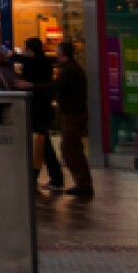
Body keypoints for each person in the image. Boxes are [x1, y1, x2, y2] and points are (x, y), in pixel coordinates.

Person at [19, 38, 64, 189]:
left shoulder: (31, 64)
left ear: (30, 49)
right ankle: (45, 176)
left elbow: (27, 80)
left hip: (36, 108)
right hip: (44, 107)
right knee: (42, 143)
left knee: (41, 143)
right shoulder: (46, 62)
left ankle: (49, 177)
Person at [53, 41, 94, 198]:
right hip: (74, 112)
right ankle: (83, 183)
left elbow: (55, 86)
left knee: (69, 147)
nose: (56, 53)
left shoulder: (69, 70)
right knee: (73, 147)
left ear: (63, 53)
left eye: (57, 50)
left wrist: (32, 85)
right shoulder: (71, 68)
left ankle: (83, 184)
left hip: (73, 113)